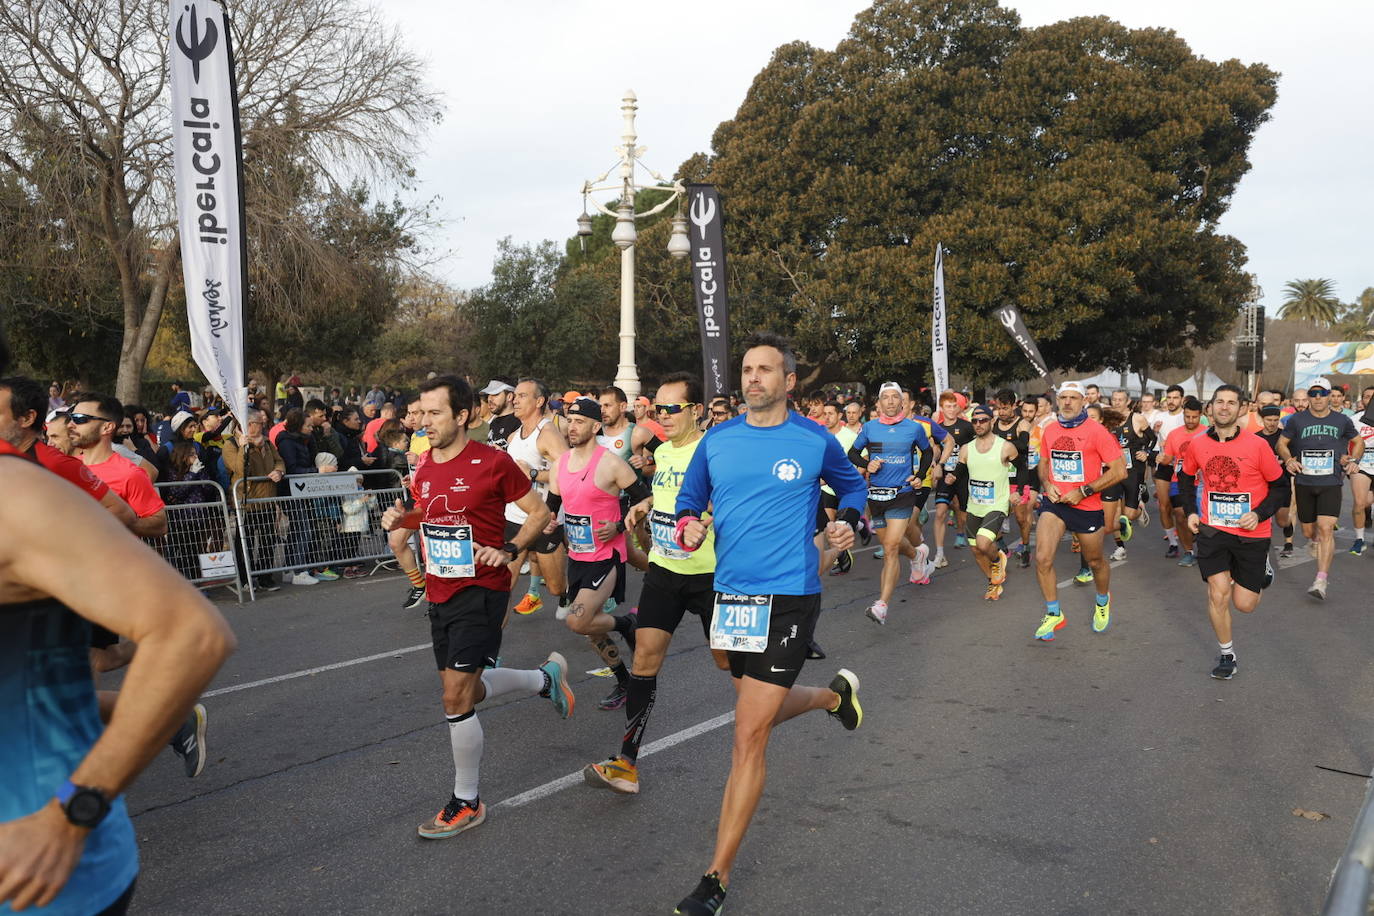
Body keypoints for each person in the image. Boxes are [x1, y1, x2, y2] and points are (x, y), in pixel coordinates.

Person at [672, 332, 865, 916]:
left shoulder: (814, 438)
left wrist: (846, 520)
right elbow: (689, 501)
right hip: (731, 599)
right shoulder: (717, 440)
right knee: (758, 704)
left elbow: (851, 484)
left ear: (788, 380)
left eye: (765, 370)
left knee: (748, 732)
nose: (752, 379)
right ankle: (833, 700)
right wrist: (689, 527)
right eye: (747, 370)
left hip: (790, 597)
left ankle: (716, 879)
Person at [380, 375, 574, 839]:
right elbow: (428, 514)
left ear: (462, 415)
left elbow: (540, 512)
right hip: (440, 590)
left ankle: (466, 800)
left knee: (454, 698)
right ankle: (541, 680)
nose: (422, 422)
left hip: (482, 589)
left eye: (433, 414)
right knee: (466, 690)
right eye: (420, 413)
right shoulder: (424, 464)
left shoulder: (493, 462)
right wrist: (400, 518)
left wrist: (508, 550)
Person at [582, 372, 724, 794]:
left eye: (671, 409)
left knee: (730, 665)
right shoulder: (662, 454)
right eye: (657, 408)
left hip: (709, 575)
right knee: (645, 660)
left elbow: (728, 501)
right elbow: (666, 496)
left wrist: (706, 518)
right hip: (665, 571)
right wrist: (645, 504)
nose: (662, 416)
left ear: (696, 411)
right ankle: (627, 762)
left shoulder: (712, 452)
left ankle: (814, 690)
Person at [547, 397, 652, 711]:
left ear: (595, 426)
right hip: (577, 558)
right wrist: (547, 526)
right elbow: (552, 510)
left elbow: (645, 500)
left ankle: (627, 625)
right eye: (570, 420)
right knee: (591, 629)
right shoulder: (560, 464)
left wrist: (619, 527)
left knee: (578, 622)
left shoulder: (610, 463)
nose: (572, 426)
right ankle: (624, 681)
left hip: (607, 557)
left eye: (580, 421)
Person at [1176, 385, 1283, 679]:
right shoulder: (1197, 444)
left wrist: (1258, 513)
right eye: (1219, 402)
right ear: (1210, 408)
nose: (1224, 407)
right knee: (1218, 593)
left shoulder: (1258, 446)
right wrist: (1192, 512)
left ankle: (1262, 566)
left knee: (1245, 604)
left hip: (1252, 532)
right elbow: (1185, 480)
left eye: (1231, 403)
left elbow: (1280, 487)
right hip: (1213, 530)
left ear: (1242, 409)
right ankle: (1227, 654)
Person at [1032, 381, 1126, 641]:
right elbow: (1043, 464)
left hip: (1086, 505)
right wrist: (1047, 484)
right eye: (1063, 398)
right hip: (1056, 504)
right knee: (1042, 558)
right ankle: (1054, 613)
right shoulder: (1049, 430)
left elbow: (1120, 471)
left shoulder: (1097, 431)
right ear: (1057, 400)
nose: (1068, 403)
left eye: (1074, 398)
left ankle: (1102, 601)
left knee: (1095, 562)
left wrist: (1084, 491)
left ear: (1084, 401)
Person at [847, 381, 936, 623]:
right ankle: (917, 556)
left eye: (894, 397)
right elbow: (852, 454)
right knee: (893, 546)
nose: (889, 401)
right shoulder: (869, 428)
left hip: (903, 493)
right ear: (879, 403)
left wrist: (919, 476)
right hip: (876, 496)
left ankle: (882, 605)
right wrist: (867, 464)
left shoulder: (913, 428)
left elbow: (927, 452)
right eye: (885, 397)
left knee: (890, 549)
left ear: (901, 402)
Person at [1277, 377, 1362, 599]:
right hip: (1305, 482)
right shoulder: (1296, 420)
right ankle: (1313, 541)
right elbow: (1281, 444)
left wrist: (1354, 459)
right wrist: (1288, 460)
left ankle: (1321, 580)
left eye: (1321, 394)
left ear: (1328, 396)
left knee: (1326, 528)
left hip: (1331, 482)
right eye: (1313, 394)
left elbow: (1359, 442)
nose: (1317, 398)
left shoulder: (1342, 420)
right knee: (1308, 531)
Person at [504, 379, 569, 619]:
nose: (515, 400)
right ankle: (492, 655)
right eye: (515, 396)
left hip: (544, 519)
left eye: (522, 396)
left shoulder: (548, 432)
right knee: (502, 587)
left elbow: (567, 471)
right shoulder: (513, 437)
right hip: (513, 519)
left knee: (555, 587)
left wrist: (532, 474)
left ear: (539, 401)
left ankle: (568, 593)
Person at [68, 394, 168, 539]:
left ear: (107, 427)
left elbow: (160, 524)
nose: (70, 424)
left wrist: (114, 522)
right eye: (71, 418)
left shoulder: (129, 474)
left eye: (80, 419)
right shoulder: (68, 466)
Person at [959, 404, 1018, 600]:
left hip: (997, 504)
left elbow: (1021, 469)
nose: (979, 424)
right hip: (975, 505)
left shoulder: (1005, 446)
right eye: (975, 421)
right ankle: (993, 583)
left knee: (984, 544)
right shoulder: (966, 449)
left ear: (991, 421)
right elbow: (960, 476)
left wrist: (1017, 492)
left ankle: (997, 559)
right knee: (976, 549)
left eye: (983, 420)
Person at [224, 408, 287, 592]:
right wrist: (244, 447)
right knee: (246, 542)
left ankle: (265, 576)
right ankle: (244, 578)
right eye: (260, 423)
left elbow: (279, 460)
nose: (263, 425)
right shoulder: (231, 444)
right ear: (249, 424)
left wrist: (279, 471)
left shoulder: (267, 442)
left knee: (268, 540)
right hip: (247, 501)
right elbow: (240, 470)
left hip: (267, 499)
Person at [1158, 398, 1206, 567]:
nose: (1190, 420)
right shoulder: (1175, 434)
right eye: (1187, 417)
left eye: (1194, 417)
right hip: (1179, 480)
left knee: (1203, 518)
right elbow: (1168, 458)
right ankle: (1188, 551)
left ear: (1201, 415)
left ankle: (1206, 550)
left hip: (1202, 483)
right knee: (1179, 513)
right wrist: (1161, 458)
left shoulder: (1208, 433)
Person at [930, 390, 974, 567]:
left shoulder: (966, 426)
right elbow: (931, 449)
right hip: (944, 475)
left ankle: (960, 532)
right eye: (947, 406)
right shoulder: (937, 428)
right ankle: (940, 553)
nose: (951, 409)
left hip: (963, 476)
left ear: (958, 408)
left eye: (954, 406)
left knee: (962, 512)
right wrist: (935, 464)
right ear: (941, 408)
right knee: (940, 511)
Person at [1351, 395, 1374, 556]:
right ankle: (1359, 539)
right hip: (1362, 464)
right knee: (1360, 502)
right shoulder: (1354, 420)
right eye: (1367, 397)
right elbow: (1346, 441)